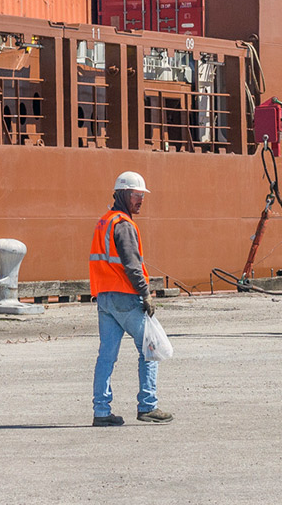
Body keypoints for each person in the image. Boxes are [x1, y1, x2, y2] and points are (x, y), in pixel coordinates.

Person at [89, 170, 172, 426]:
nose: (141, 201)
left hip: (104, 298)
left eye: (142, 196)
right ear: (124, 194)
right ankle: (148, 405)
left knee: (106, 356)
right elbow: (132, 265)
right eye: (137, 195)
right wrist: (145, 293)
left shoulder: (104, 221)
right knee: (150, 349)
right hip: (125, 297)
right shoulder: (124, 225)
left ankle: (101, 412)